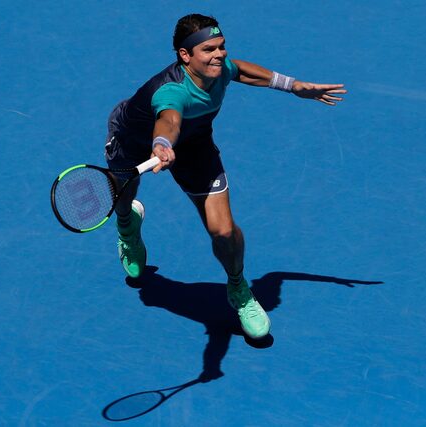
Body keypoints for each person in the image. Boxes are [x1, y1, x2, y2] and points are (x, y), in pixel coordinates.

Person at [104, 13, 346, 340]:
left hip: (194, 146)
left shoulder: (218, 70)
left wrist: (293, 86)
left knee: (224, 231)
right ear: (185, 55)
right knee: (124, 197)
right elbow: (169, 120)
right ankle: (127, 227)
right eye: (209, 49)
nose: (219, 54)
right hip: (132, 141)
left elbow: (240, 70)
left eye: (221, 46)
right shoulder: (172, 92)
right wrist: (161, 143)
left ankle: (238, 288)